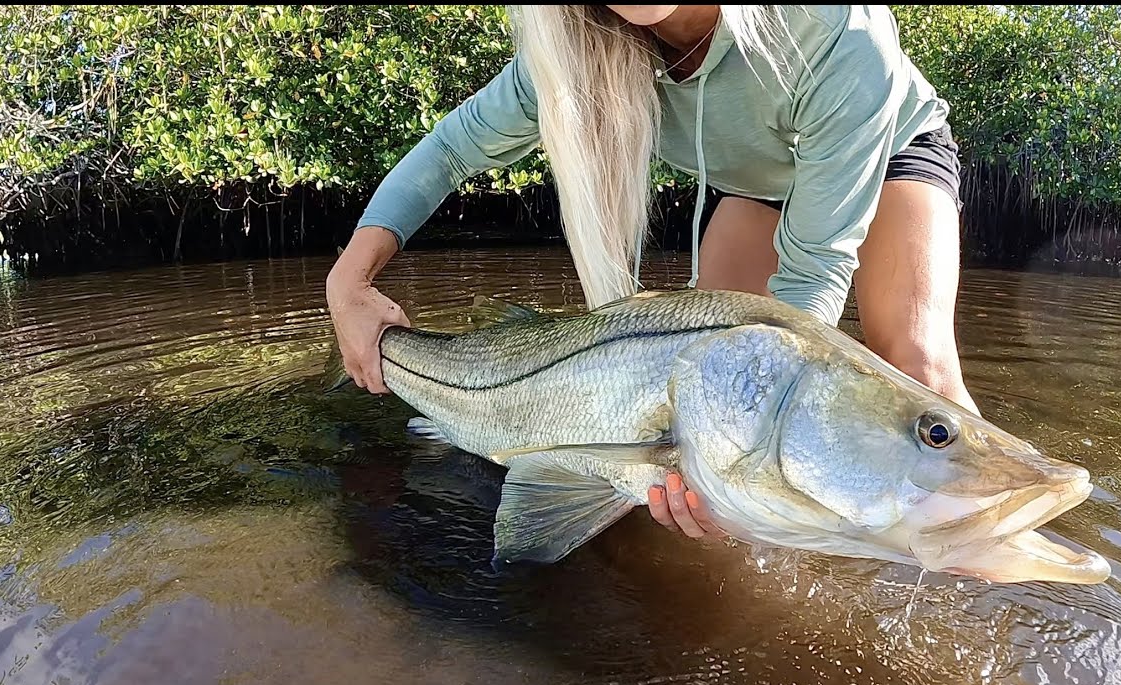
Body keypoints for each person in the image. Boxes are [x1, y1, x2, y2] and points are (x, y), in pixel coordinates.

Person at [326, 5, 978, 541]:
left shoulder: (835, 27)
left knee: (917, 365)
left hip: (889, 152)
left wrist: (750, 466)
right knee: (696, 411)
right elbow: (448, 149)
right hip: (754, 184)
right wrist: (347, 284)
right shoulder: (574, 47)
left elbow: (812, 279)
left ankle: (986, 570)